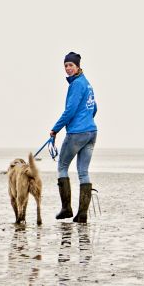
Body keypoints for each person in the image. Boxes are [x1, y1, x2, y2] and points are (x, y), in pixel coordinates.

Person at [49, 51, 98, 223]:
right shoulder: (87, 83)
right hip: (92, 132)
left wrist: (55, 129)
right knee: (83, 172)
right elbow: (94, 107)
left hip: (77, 133)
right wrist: (87, 120)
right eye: (66, 66)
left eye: (71, 65)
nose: (68, 68)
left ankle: (67, 209)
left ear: (78, 66)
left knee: (62, 167)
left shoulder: (76, 84)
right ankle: (82, 214)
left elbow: (69, 111)